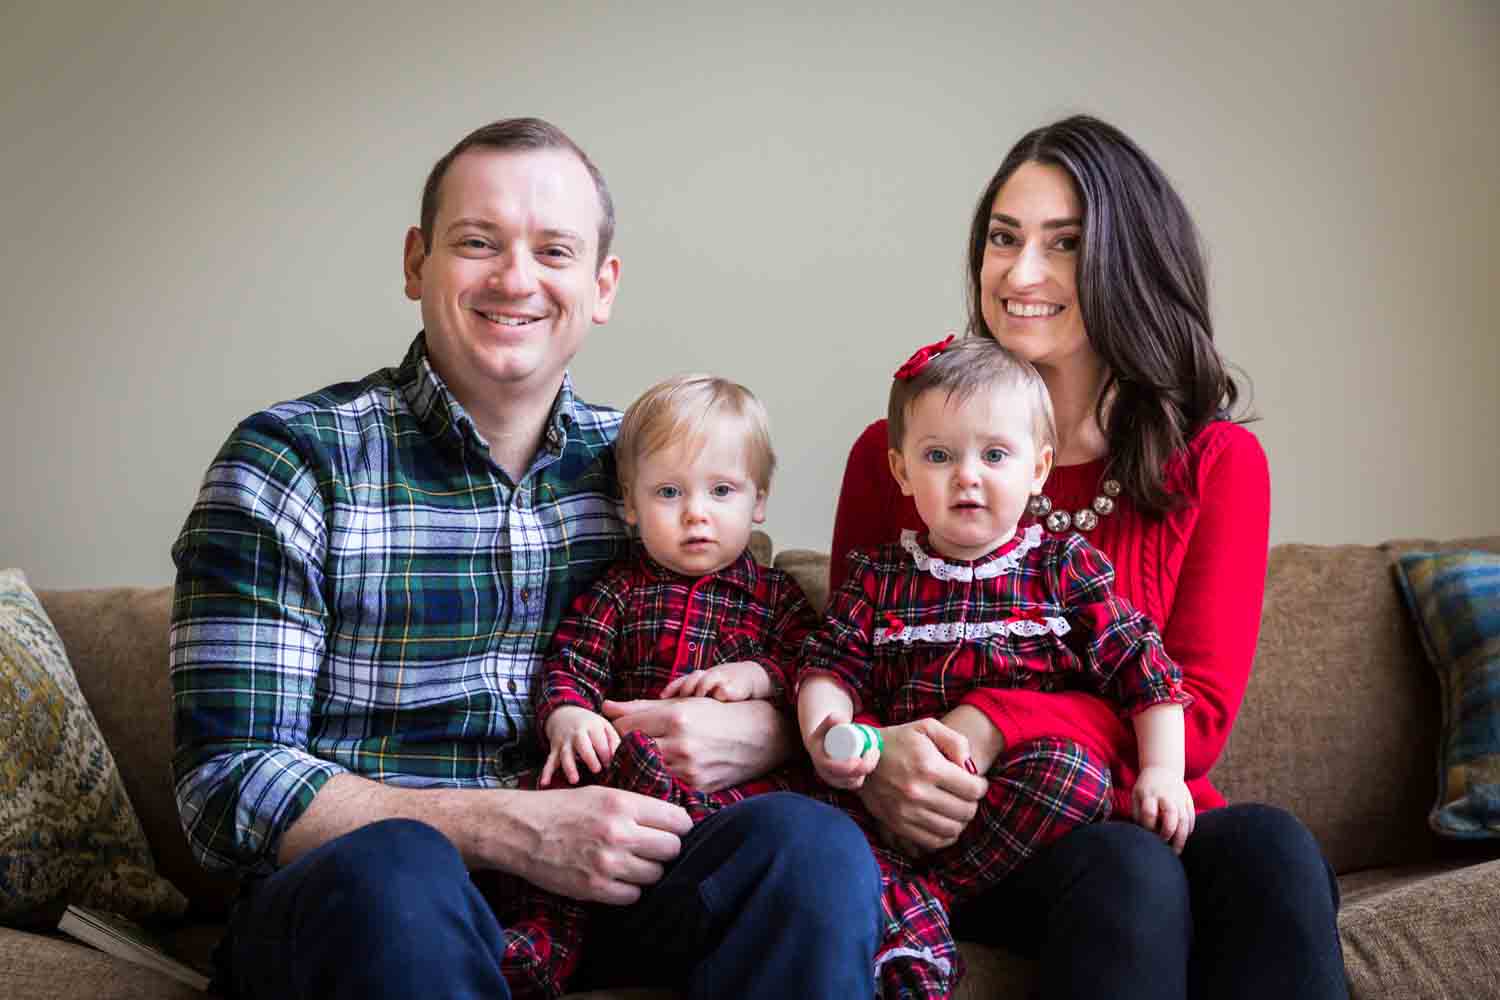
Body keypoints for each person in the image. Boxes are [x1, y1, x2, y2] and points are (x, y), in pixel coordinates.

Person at [169, 117, 880, 1000]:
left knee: (809, 850)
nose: (516, 279)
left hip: (611, 893)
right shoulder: (291, 461)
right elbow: (227, 785)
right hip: (366, 905)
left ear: (601, 284)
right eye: (477, 243)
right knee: (397, 874)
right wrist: (508, 826)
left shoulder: (655, 475)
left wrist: (770, 725)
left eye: (554, 250)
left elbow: (768, 633)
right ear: (415, 263)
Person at [828, 115, 1348, 999]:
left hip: (1138, 802)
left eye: (1064, 244)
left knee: (1271, 847)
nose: (1021, 273)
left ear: (1128, 264)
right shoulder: (906, 448)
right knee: (1127, 868)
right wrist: (878, 758)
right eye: (1003, 238)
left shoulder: (1214, 463)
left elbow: (1203, 715)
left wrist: (996, 717)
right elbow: (849, 656)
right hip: (969, 828)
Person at [798, 334, 1193, 998]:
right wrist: (829, 738)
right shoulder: (879, 580)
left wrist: (1162, 772)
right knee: (818, 822)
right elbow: (828, 669)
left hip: (1023, 810)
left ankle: (933, 895)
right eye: (939, 456)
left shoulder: (1064, 571)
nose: (968, 476)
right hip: (905, 800)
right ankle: (899, 893)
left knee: (1072, 771)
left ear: (1038, 469)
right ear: (900, 471)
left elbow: (1145, 672)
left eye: (995, 455)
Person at [479, 373, 823, 997]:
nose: (696, 513)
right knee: (560, 809)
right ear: (631, 506)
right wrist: (568, 717)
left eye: (722, 490)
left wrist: (762, 676)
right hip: (624, 788)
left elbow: (818, 669)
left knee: (810, 834)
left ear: (759, 500)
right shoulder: (619, 590)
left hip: (733, 806)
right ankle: (544, 945)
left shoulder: (777, 598)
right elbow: (570, 665)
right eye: (669, 492)